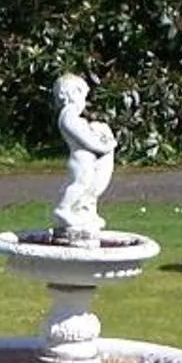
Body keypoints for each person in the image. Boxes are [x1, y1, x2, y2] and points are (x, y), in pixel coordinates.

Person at [51, 74, 116, 242]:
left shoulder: (73, 117)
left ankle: (84, 212)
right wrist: (106, 145)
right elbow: (86, 140)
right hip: (80, 161)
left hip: (86, 160)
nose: (84, 102)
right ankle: (63, 209)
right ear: (71, 94)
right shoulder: (69, 117)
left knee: (85, 186)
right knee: (79, 184)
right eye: (82, 96)